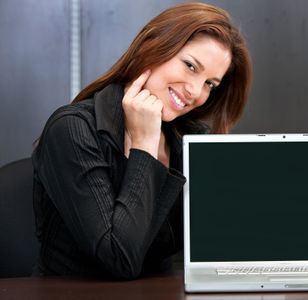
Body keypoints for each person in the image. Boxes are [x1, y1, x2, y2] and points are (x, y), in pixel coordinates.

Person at [32, 2, 252, 279]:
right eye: (190, 66)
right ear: (153, 47)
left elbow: (232, 242)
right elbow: (118, 260)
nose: (196, 91)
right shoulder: (72, 129)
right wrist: (144, 146)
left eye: (210, 84)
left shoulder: (189, 140)